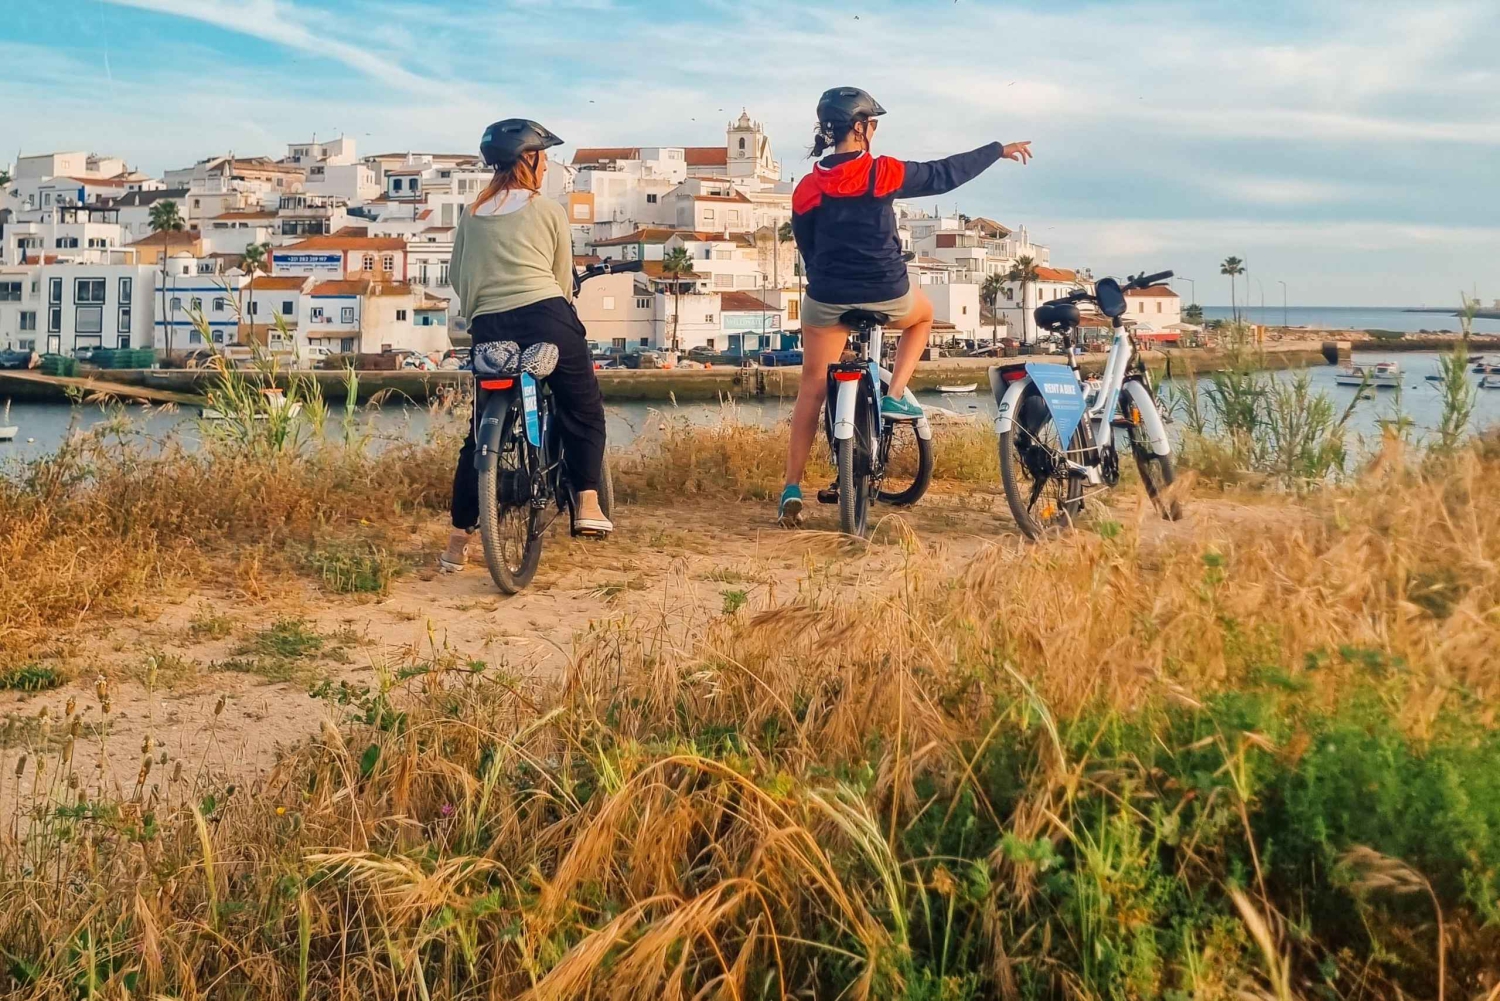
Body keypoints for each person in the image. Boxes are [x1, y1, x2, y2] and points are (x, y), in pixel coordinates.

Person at [778, 87, 1032, 526]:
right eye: (872, 122)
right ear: (860, 128)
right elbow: (944, 174)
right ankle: (894, 396)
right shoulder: (883, 172)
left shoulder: (807, 188)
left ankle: (791, 487)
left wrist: (827, 279)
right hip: (887, 292)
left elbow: (807, 245)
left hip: (828, 298)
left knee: (812, 389)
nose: (874, 129)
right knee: (925, 316)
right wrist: (997, 150)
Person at [441, 118, 612, 572]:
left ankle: (458, 540)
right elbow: (561, 279)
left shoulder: (471, 214)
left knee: (480, 429)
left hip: (489, 325)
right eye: (545, 157)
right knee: (583, 406)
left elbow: (457, 278)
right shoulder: (546, 209)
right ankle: (589, 502)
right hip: (544, 315)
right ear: (530, 160)